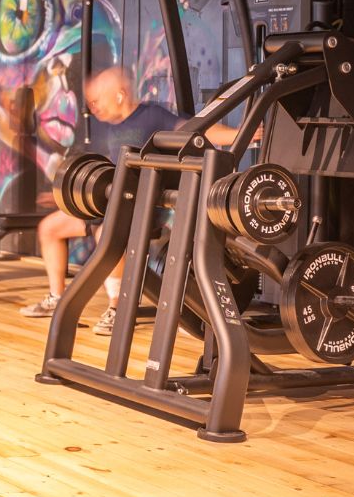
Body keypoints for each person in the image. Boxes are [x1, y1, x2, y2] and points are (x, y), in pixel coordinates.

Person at [21, 66, 236, 334]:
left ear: (120, 95)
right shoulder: (107, 128)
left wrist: (241, 135)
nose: (94, 107)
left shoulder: (152, 117)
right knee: (50, 229)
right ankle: (57, 298)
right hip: (107, 202)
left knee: (107, 236)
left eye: (98, 99)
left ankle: (117, 308)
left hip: (140, 206)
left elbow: (197, 133)